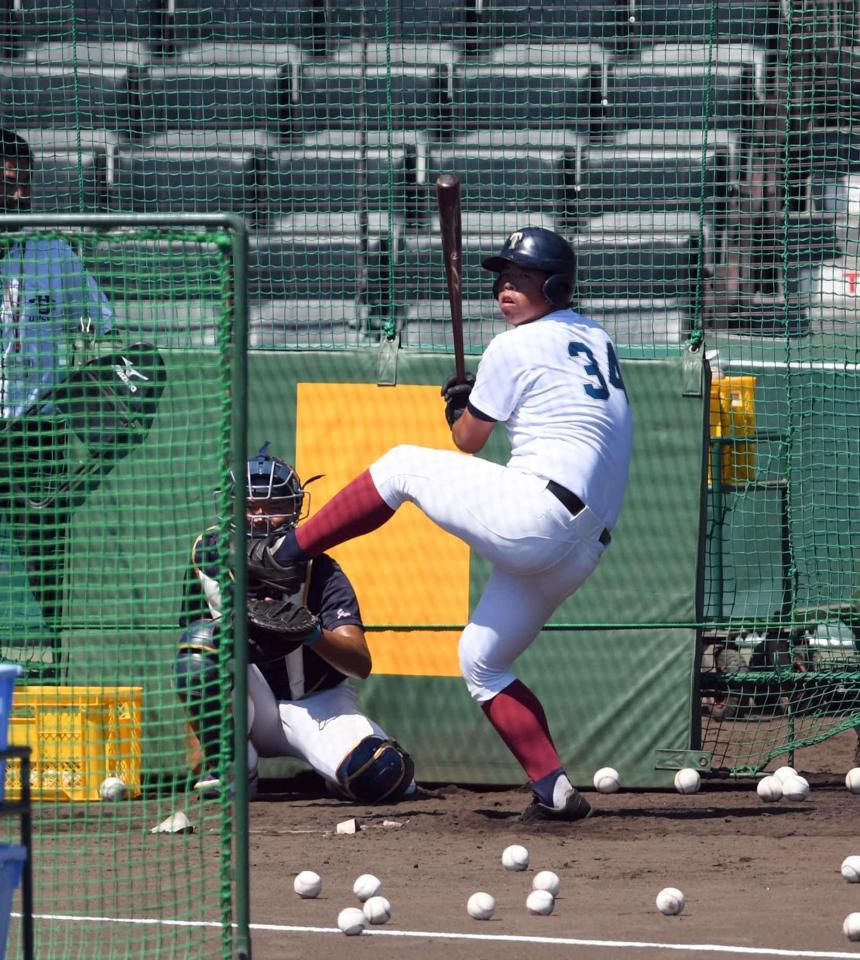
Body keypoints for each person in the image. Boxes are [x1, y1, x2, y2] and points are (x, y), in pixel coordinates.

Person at [245, 228, 634, 822]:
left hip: (539, 512)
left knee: (400, 466)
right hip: (582, 545)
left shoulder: (512, 345)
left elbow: (467, 441)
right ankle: (552, 789)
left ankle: (285, 550)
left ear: (555, 285)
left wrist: (459, 406)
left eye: (523, 278)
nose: (507, 287)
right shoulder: (596, 336)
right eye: (502, 277)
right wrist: (470, 399)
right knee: (482, 661)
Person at [176, 445, 416, 804]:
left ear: (294, 510)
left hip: (317, 703)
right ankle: (234, 768)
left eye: (273, 507)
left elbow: (359, 664)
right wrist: (204, 748)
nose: (259, 518)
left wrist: (311, 632)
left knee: (380, 775)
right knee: (198, 645)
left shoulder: (320, 568)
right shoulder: (205, 560)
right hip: (247, 705)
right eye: (249, 506)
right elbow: (192, 658)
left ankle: (337, 772)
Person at [0, 128, 117, 672]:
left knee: (42, 555)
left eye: (24, 183)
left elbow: (102, 324)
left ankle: (43, 665)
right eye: (7, 184)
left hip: (36, 432)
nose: (18, 195)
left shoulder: (54, 256)